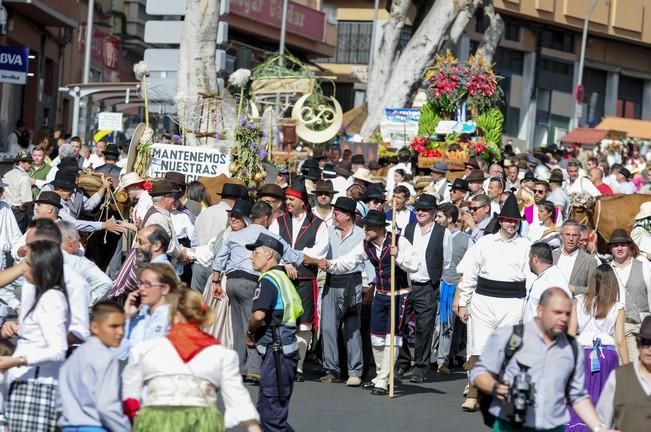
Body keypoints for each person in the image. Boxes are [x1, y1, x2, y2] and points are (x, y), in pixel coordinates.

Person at [471, 288, 614, 432]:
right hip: (510, 425)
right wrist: (495, 387)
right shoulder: (510, 337)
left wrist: (599, 428)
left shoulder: (572, 348)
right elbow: (478, 374)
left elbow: (577, 396)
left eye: (568, 314)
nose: (564, 318)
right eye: (557, 312)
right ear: (540, 310)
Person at [122, 289, 260, 432]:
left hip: (155, 420)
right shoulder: (221, 354)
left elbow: (130, 395)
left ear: (174, 316)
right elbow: (238, 397)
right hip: (202, 422)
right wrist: (253, 426)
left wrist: (138, 418)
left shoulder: (145, 350)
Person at [320, 209, 419, 396]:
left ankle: (383, 379)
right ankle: (381, 374)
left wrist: (398, 257)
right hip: (381, 294)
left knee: (392, 337)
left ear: (380, 228)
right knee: (376, 336)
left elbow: (414, 266)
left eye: (368, 227)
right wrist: (331, 264)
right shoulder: (366, 244)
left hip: (398, 294)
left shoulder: (399, 241)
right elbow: (350, 260)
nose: (365, 229)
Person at [455, 193, 531, 412]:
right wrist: (463, 302)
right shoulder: (484, 243)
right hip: (483, 302)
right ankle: (474, 392)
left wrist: (528, 309)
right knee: (479, 347)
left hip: (513, 303)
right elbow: (469, 274)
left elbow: (532, 278)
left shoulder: (526, 246)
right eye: (508, 220)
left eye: (515, 221)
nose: (511, 224)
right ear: (500, 220)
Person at [212, 201, 303, 383]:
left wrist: (216, 281)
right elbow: (293, 256)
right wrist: (315, 261)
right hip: (249, 281)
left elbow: (220, 257)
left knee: (237, 327)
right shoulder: (269, 237)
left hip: (231, 282)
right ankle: (254, 368)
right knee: (253, 325)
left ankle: (239, 368)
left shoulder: (235, 235)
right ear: (267, 218)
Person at [1, 240, 70, 431]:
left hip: (37, 388)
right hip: (25, 383)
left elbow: (58, 349)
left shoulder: (52, 299)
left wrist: (16, 361)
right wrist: (18, 326)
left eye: (28, 264)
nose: (22, 269)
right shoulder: (40, 293)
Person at [245, 233, 303, 431]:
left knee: (271, 416)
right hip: (283, 350)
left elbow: (259, 315)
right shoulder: (283, 278)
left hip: (277, 352)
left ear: (269, 255)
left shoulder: (268, 280)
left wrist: (250, 333)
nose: (251, 257)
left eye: (255, 252)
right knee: (267, 411)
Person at [271, 182, 328, 381]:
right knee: (282, 320)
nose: (287, 203)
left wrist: (295, 258)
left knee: (304, 324)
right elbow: (273, 244)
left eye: (291, 199)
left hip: (305, 278)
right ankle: (284, 362)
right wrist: (286, 262)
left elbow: (319, 251)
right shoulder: (278, 222)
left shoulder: (319, 224)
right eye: (286, 199)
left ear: (302, 202)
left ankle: (299, 365)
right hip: (283, 278)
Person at [566, 265, 628, 432]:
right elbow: (620, 340)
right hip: (606, 355)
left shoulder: (578, 301)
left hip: (582, 353)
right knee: (603, 398)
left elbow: (571, 334)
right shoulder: (617, 307)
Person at [315, 197, 368, 386]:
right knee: (328, 328)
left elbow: (367, 261)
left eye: (337, 213)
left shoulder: (362, 234)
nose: (334, 216)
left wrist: (368, 285)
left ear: (348, 216)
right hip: (331, 281)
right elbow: (318, 252)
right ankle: (331, 369)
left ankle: (355, 371)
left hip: (352, 283)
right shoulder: (327, 232)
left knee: (352, 329)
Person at [58, 301, 131, 432]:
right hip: (95, 426)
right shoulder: (105, 357)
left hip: (68, 426)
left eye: (123, 326)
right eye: (114, 326)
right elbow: (107, 406)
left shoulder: (74, 357)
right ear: (95, 327)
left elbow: (60, 400)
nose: (120, 332)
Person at [398, 194, 445, 383]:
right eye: (417, 209)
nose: (420, 212)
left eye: (424, 209)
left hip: (427, 286)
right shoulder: (408, 229)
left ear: (433, 212)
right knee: (398, 325)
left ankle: (421, 367)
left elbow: (447, 262)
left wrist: (439, 284)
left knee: (424, 329)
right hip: (406, 284)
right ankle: (402, 362)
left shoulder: (443, 233)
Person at [596, 315, 651, 431]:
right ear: (638, 344)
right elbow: (601, 421)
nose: (649, 348)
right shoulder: (619, 377)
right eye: (646, 342)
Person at [433, 203, 470, 374]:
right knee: (432, 324)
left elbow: (469, 267)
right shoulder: (434, 235)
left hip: (452, 285)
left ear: (449, 218)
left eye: (440, 216)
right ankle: (430, 357)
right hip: (434, 284)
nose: (436, 219)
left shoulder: (465, 239)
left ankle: (443, 360)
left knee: (448, 324)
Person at [193, 183, 249, 291]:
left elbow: (194, 241)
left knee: (195, 305)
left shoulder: (204, 212)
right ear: (236, 200)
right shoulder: (231, 217)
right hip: (217, 269)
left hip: (199, 264)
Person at [118, 263, 180, 360]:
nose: (141, 289)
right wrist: (127, 317)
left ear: (164, 289)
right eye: (141, 283)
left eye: (147, 284)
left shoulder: (173, 320)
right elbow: (121, 355)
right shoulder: (138, 320)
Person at [607, 228, 651, 361]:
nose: (619, 248)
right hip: (613, 329)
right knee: (618, 370)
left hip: (637, 327)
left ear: (629, 246)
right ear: (610, 249)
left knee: (637, 368)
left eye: (623, 245)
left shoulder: (644, 266)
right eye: (615, 245)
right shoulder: (606, 270)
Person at [58, 220, 113, 303]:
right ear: (70, 241)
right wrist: (87, 302)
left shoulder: (42, 256)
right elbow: (106, 284)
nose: (79, 245)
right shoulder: (80, 263)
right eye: (78, 240)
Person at [523, 242, 569, 322]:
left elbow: (565, 305)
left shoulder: (555, 278)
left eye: (529, 258)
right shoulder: (544, 277)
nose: (528, 262)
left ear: (535, 259)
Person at [553, 220, 598, 295]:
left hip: (575, 304)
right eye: (567, 234)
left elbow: (594, 290)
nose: (571, 239)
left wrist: (573, 289)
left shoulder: (590, 261)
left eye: (574, 235)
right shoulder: (552, 256)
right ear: (561, 236)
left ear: (579, 237)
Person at [1, 151, 33, 231]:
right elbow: (26, 201)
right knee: (17, 239)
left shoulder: (6, 174)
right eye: (28, 162)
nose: (30, 165)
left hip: (5, 210)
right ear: (21, 162)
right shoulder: (25, 177)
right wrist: (24, 208)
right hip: (18, 213)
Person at [0, 180, 21, 271]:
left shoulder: (4, 207)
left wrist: (18, 256)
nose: (2, 193)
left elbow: (15, 235)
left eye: (1, 190)